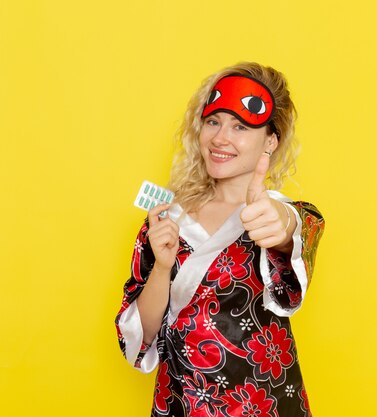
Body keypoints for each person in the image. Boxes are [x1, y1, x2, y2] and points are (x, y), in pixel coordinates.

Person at [115, 62, 325, 417]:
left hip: (265, 403)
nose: (220, 138)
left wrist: (283, 225)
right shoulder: (166, 219)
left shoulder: (280, 214)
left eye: (240, 126)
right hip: (181, 403)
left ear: (270, 140)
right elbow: (143, 338)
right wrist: (162, 266)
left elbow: (295, 230)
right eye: (213, 121)